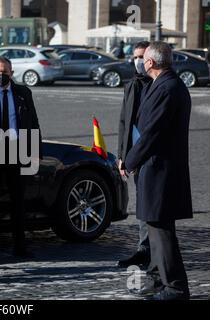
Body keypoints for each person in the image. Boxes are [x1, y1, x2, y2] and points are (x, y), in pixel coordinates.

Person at [124, 41, 193, 300]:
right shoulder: (165, 84)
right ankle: (167, 283)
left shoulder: (167, 87)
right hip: (157, 169)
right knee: (157, 228)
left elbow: (151, 132)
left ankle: (175, 288)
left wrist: (130, 161)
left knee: (161, 231)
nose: (140, 63)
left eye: (143, 60)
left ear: (150, 62)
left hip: (160, 170)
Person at [0, 57, 41, 258]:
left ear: (11, 72)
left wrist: (35, 151)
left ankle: (20, 246)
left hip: (17, 152)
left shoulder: (23, 93)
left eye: (4, 72)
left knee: (18, 202)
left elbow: (33, 122)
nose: (0, 76)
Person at [116, 41, 152, 269]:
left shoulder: (158, 85)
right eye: (135, 57)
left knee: (153, 206)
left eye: (142, 56)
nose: (138, 61)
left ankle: (152, 251)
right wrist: (122, 156)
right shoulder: (131, 85)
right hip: (134, 157)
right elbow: (123, 123)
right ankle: (144, 249)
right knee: (141, 204)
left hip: (152, 156)